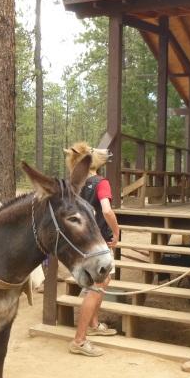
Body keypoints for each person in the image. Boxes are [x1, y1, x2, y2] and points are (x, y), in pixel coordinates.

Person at [64, 142, 121, 357]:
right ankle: (79, 340)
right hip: (99, 243)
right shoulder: (101, 183)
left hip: (81, 241)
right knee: (95, 288)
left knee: (102, 282)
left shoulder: (74, 184)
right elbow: (107, 210)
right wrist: (116, 231)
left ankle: (94, 325)